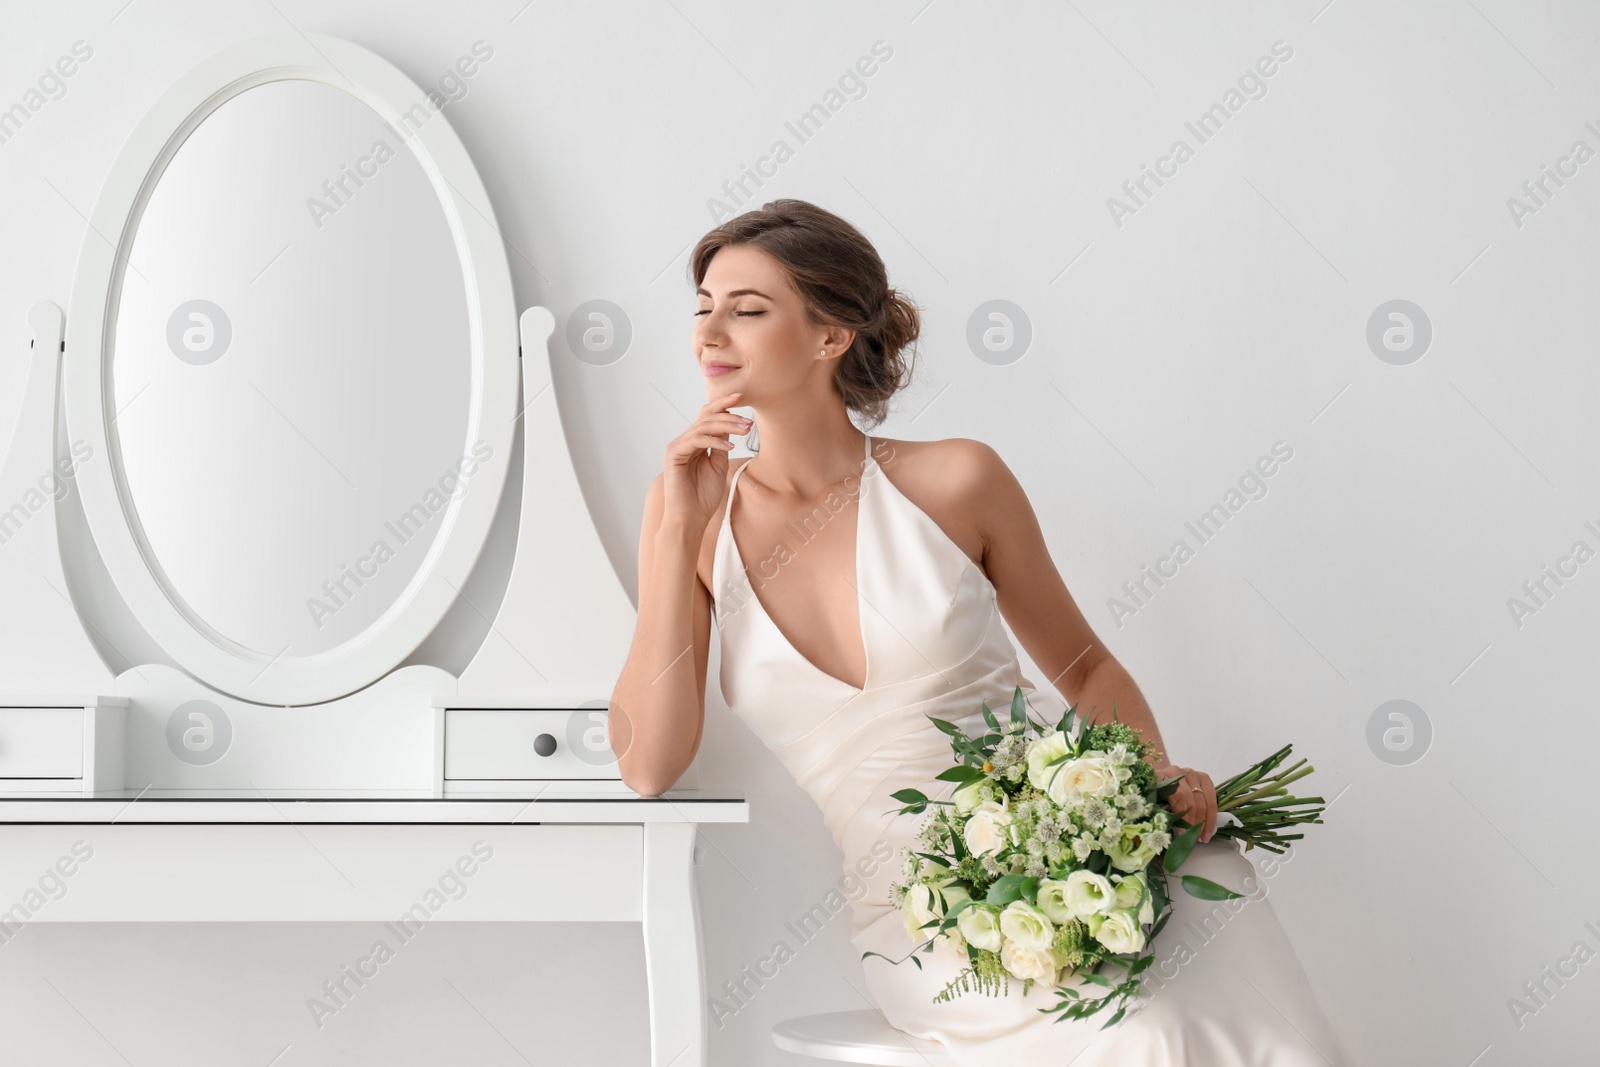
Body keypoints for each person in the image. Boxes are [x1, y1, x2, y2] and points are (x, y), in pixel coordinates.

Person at [608, 199, 1352, 1064]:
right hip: (924, 922)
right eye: (704, 305)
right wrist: (673, 532)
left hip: (1092, 855)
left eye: (747, 307)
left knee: (1226, 999)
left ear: (830, 336)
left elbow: (1087, 669)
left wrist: (1148, 788)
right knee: (1142, 1040)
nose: (710, 331)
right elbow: (648, 764)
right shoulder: (689, 512)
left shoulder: (956, 479)